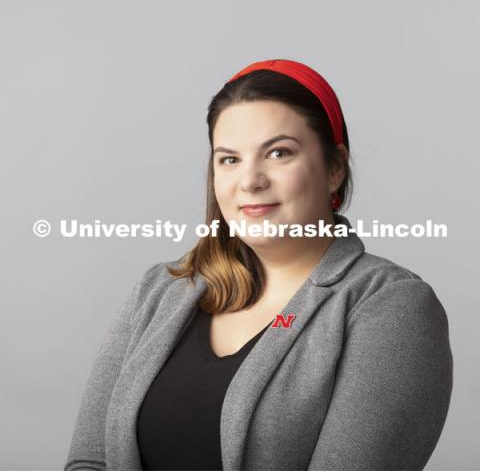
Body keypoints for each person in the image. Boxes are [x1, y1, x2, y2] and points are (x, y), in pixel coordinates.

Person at [64, 59, 453, 471]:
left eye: (278, 152)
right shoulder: (160, 290)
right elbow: (90, 461)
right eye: (229, 159)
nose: (250, 180)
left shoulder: (389, 307)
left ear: (335, 168)